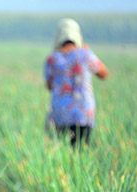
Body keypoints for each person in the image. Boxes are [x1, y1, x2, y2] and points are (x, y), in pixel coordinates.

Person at [44, 18, 108, 147]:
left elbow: (50, 86)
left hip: (61, 113)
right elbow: (104, 74)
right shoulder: (85, 54)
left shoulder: (52, 59)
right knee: (80, 150)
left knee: (62, 151)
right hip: (84, 113)